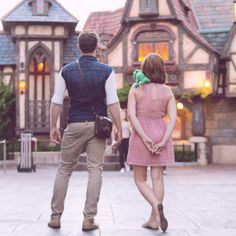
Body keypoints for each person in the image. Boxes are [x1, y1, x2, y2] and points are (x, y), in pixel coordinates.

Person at [48, 29, 122, 231]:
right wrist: (120, 128)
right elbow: (113, 102)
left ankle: (55, 217)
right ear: (97, 47)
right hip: (98, 128)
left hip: (74, 124)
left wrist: (53, 126)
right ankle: (88, 219)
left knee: (64, 169)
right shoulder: (107, 71)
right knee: (95, 170)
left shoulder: (66, 70)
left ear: (78, 47)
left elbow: (56, 101)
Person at [127, 53, 177, 232]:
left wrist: (145, 137)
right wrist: (164, 140)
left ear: (145, 69)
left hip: (142, 135)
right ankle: (154, 220)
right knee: (158, 178)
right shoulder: (167, 90)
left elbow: (132, 116)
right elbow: (172, 119)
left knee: (140, 179)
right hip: (161, 132)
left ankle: (156, 206)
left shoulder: (136, 88)